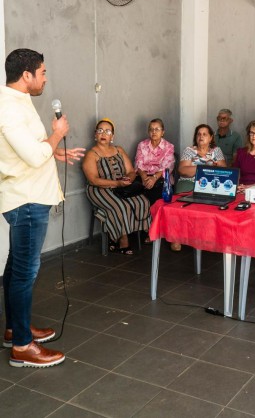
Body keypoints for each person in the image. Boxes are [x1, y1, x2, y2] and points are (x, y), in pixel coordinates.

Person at [0, 48, 85, 368]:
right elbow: (34, 156)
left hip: (28, 194)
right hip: (26, 200)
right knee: (25, 272)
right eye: (43, 73)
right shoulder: (8, 108)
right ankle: (22, 346)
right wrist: (57, 136)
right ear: (27, 76)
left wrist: (55, 152)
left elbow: (29, 151)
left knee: (15, 268)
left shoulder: (18, 102)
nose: (46, 78)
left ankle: (14, 328)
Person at [83, 118, 152, 255]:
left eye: (107, 131)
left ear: (112, 136)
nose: (103, 134)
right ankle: (122, 239)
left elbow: (131, 171)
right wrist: (117, 183)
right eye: (100, 130)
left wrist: (128, 179)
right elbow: (93, 180)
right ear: (95, 134)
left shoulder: (119, 150)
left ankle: (142, 233)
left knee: (142, 201)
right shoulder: (91, 154)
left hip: (121, 186)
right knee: (120, 206)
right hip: (99, 189)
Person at [135, 118, 175, 205]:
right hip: (143, 177)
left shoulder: (169, 147)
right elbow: (139, 164)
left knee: (154, 199)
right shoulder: (142, 145)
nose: (154, 132)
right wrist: (144, 178)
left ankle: (154, 218)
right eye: (151, 129)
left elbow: (167, 167)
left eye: (157, 129)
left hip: (161, 179)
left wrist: (154, 178)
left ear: (163, 132)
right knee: (134, 197)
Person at [177, 124, 227, 193]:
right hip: (190, 182)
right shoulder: (189, 150)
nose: (201, 136)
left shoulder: (216, 150)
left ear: (211, 138)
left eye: (204, 134)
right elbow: (182, 170)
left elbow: (224, 170)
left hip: (211, 183)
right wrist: (206, 167)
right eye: (199, 134)